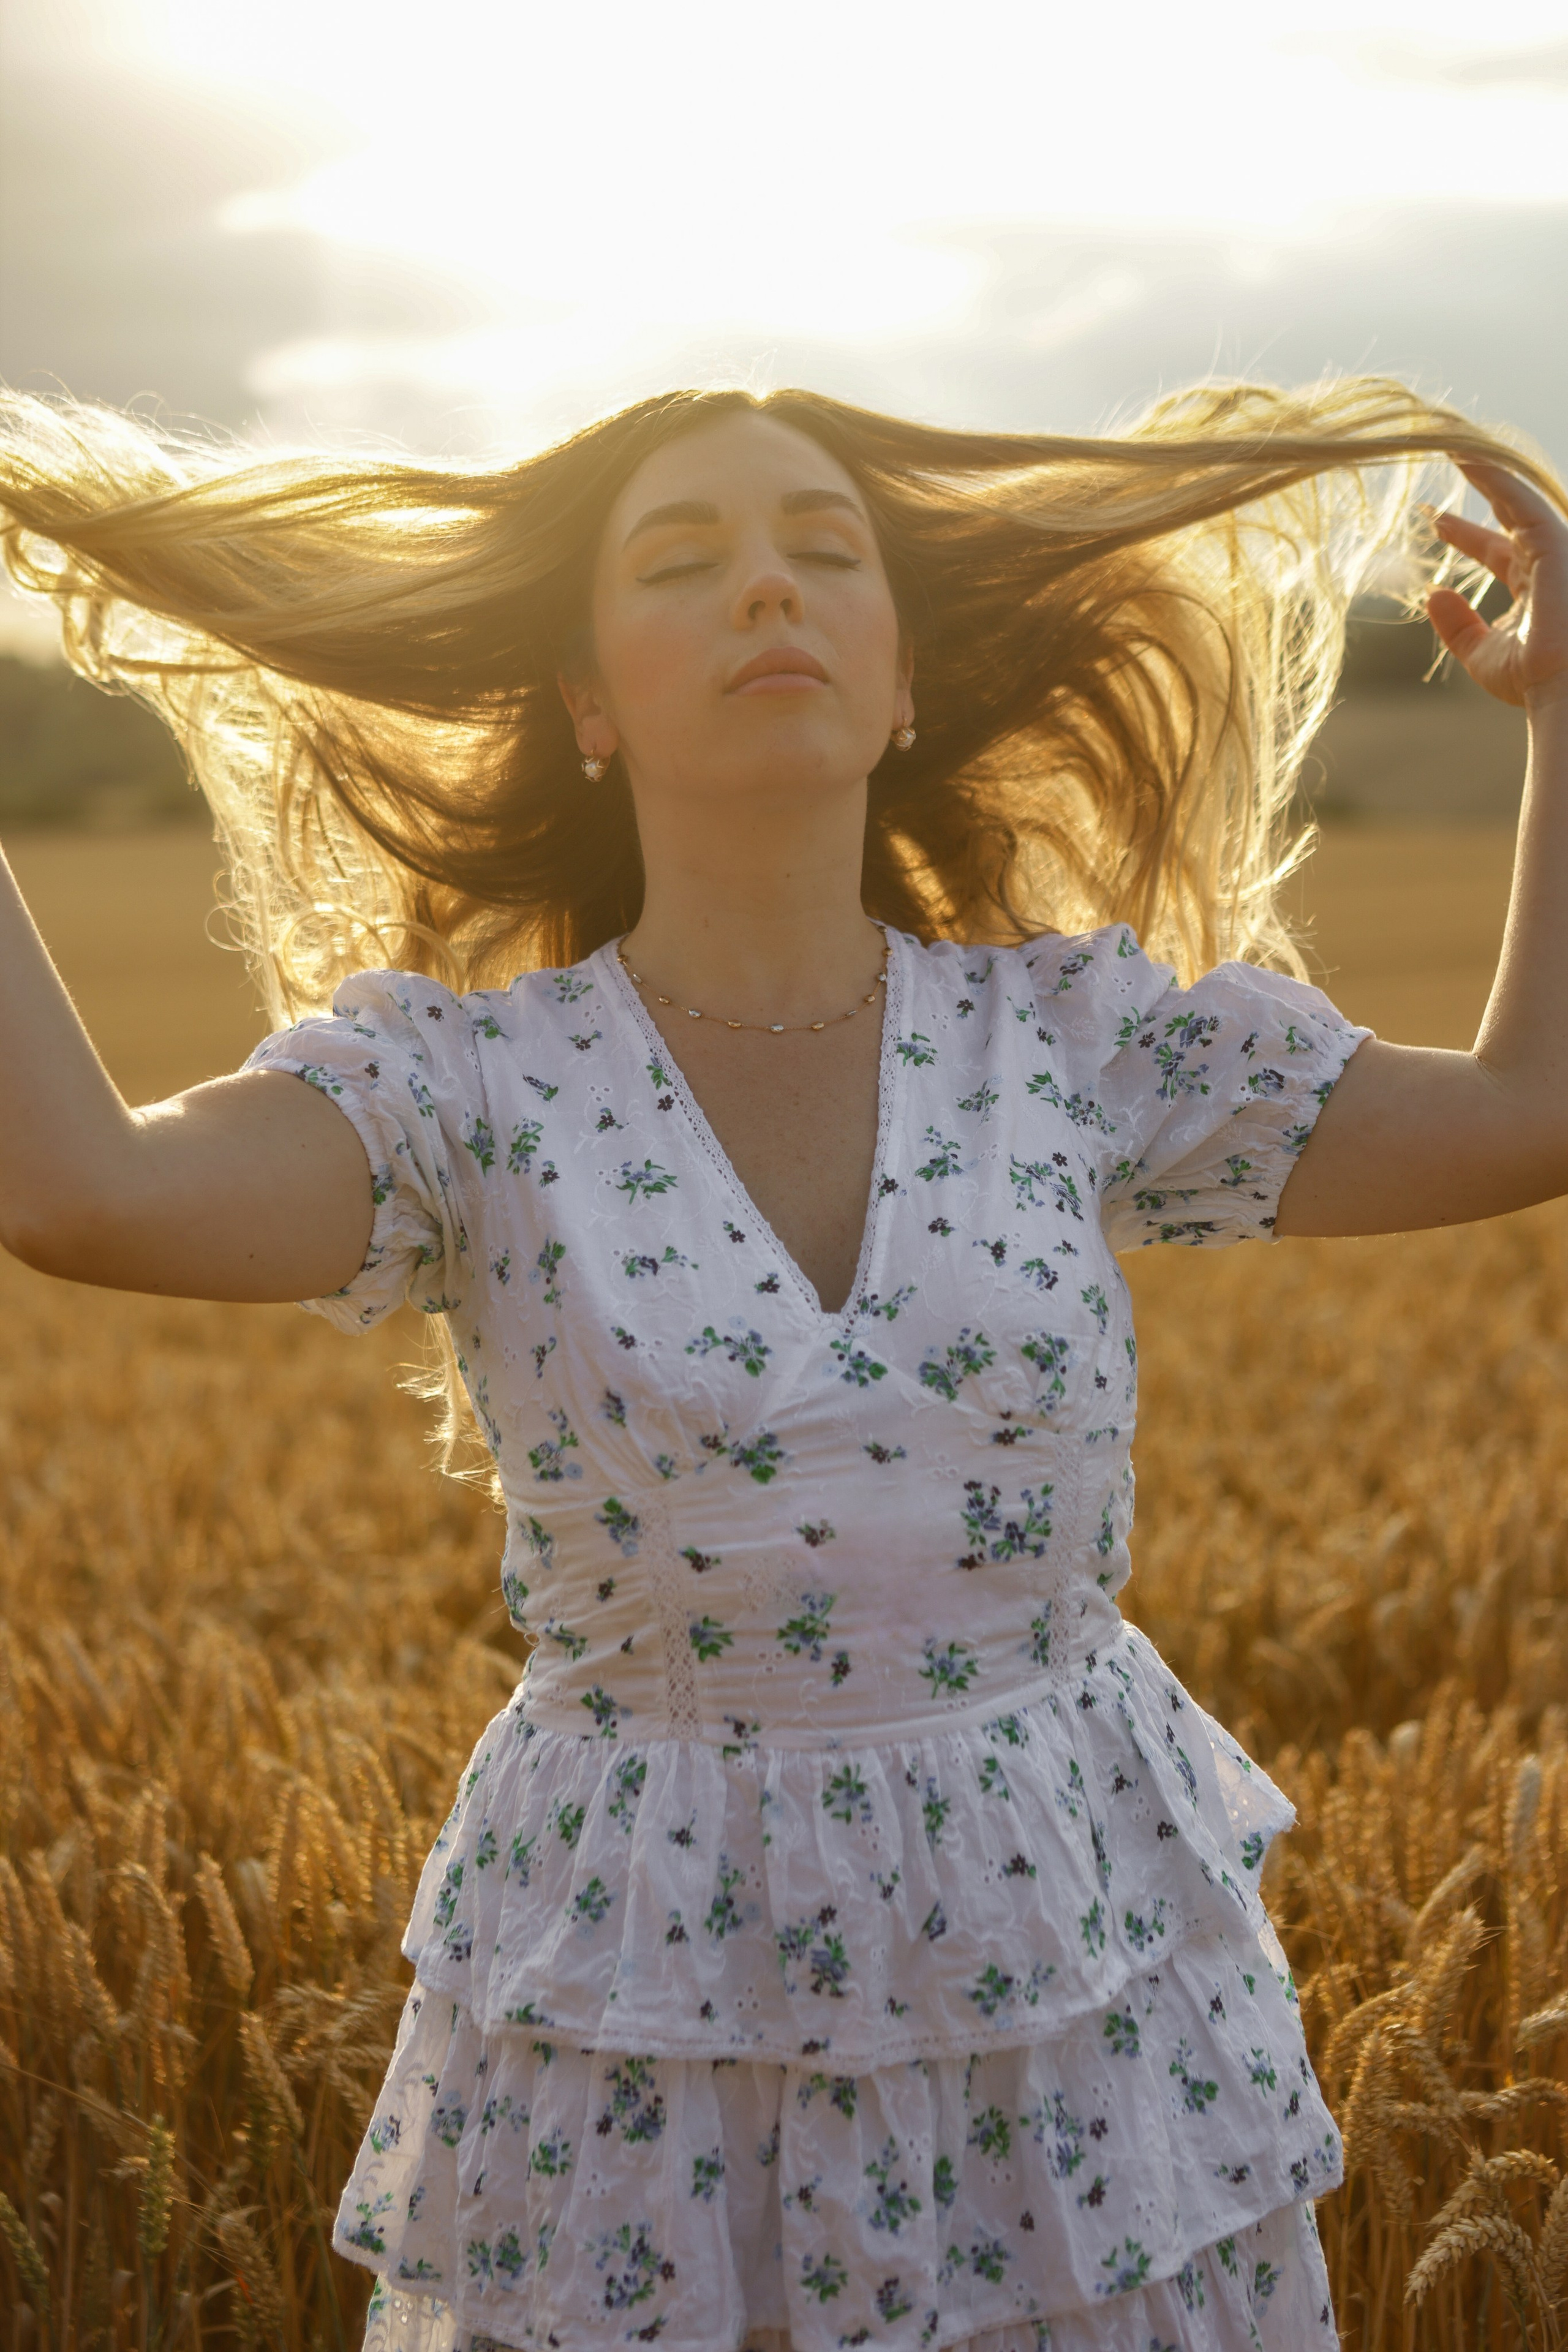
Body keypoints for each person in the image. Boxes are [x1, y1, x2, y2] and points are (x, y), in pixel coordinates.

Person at [1, 377, 1564, 2352]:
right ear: (590, 697)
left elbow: (1538, 1107)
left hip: (1063, 1980)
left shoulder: (1073, 1043)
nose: (770, 591)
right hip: (649, 2010)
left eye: (828, 555)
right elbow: (74, 1190)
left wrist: (1566, 707)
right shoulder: (462, 1091)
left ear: (902, 678)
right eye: (689, 559)